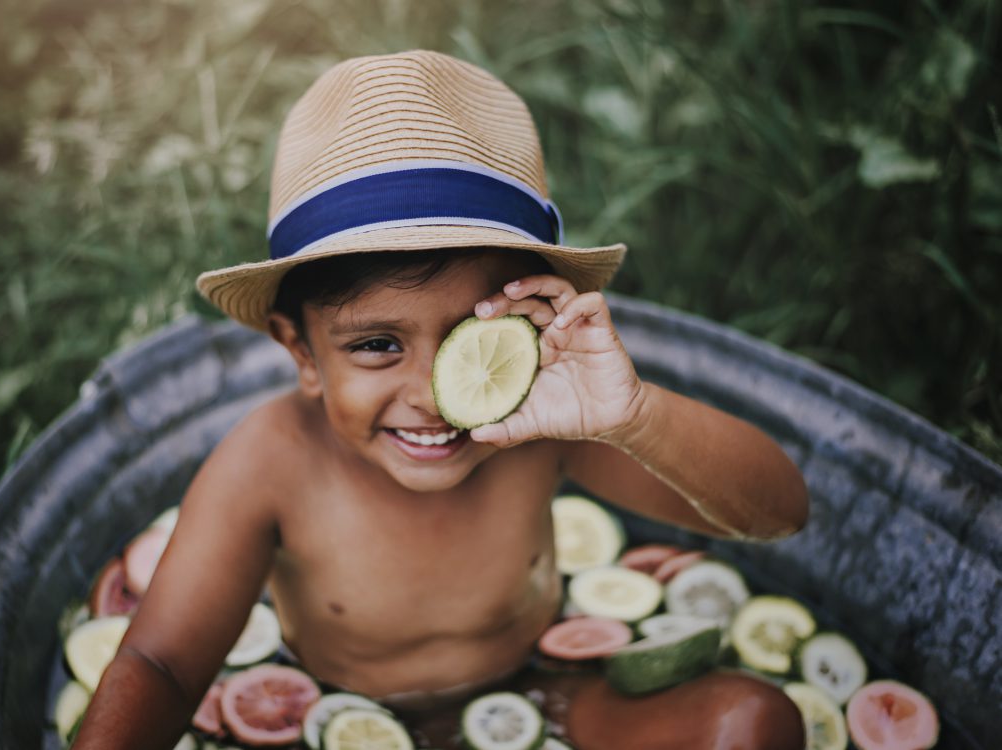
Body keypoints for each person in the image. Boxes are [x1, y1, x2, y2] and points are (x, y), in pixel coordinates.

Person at [72, 50, 808, 749]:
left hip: (540, 691)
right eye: (376, 345)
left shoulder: (545, 428)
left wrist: (634, 417)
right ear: (300, 350)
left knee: (752, 720)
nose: (434, 397)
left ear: (533, 323)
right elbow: (162, 666)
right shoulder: (269, 462)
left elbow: (777, 515)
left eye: (474, 340)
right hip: (336, 718)